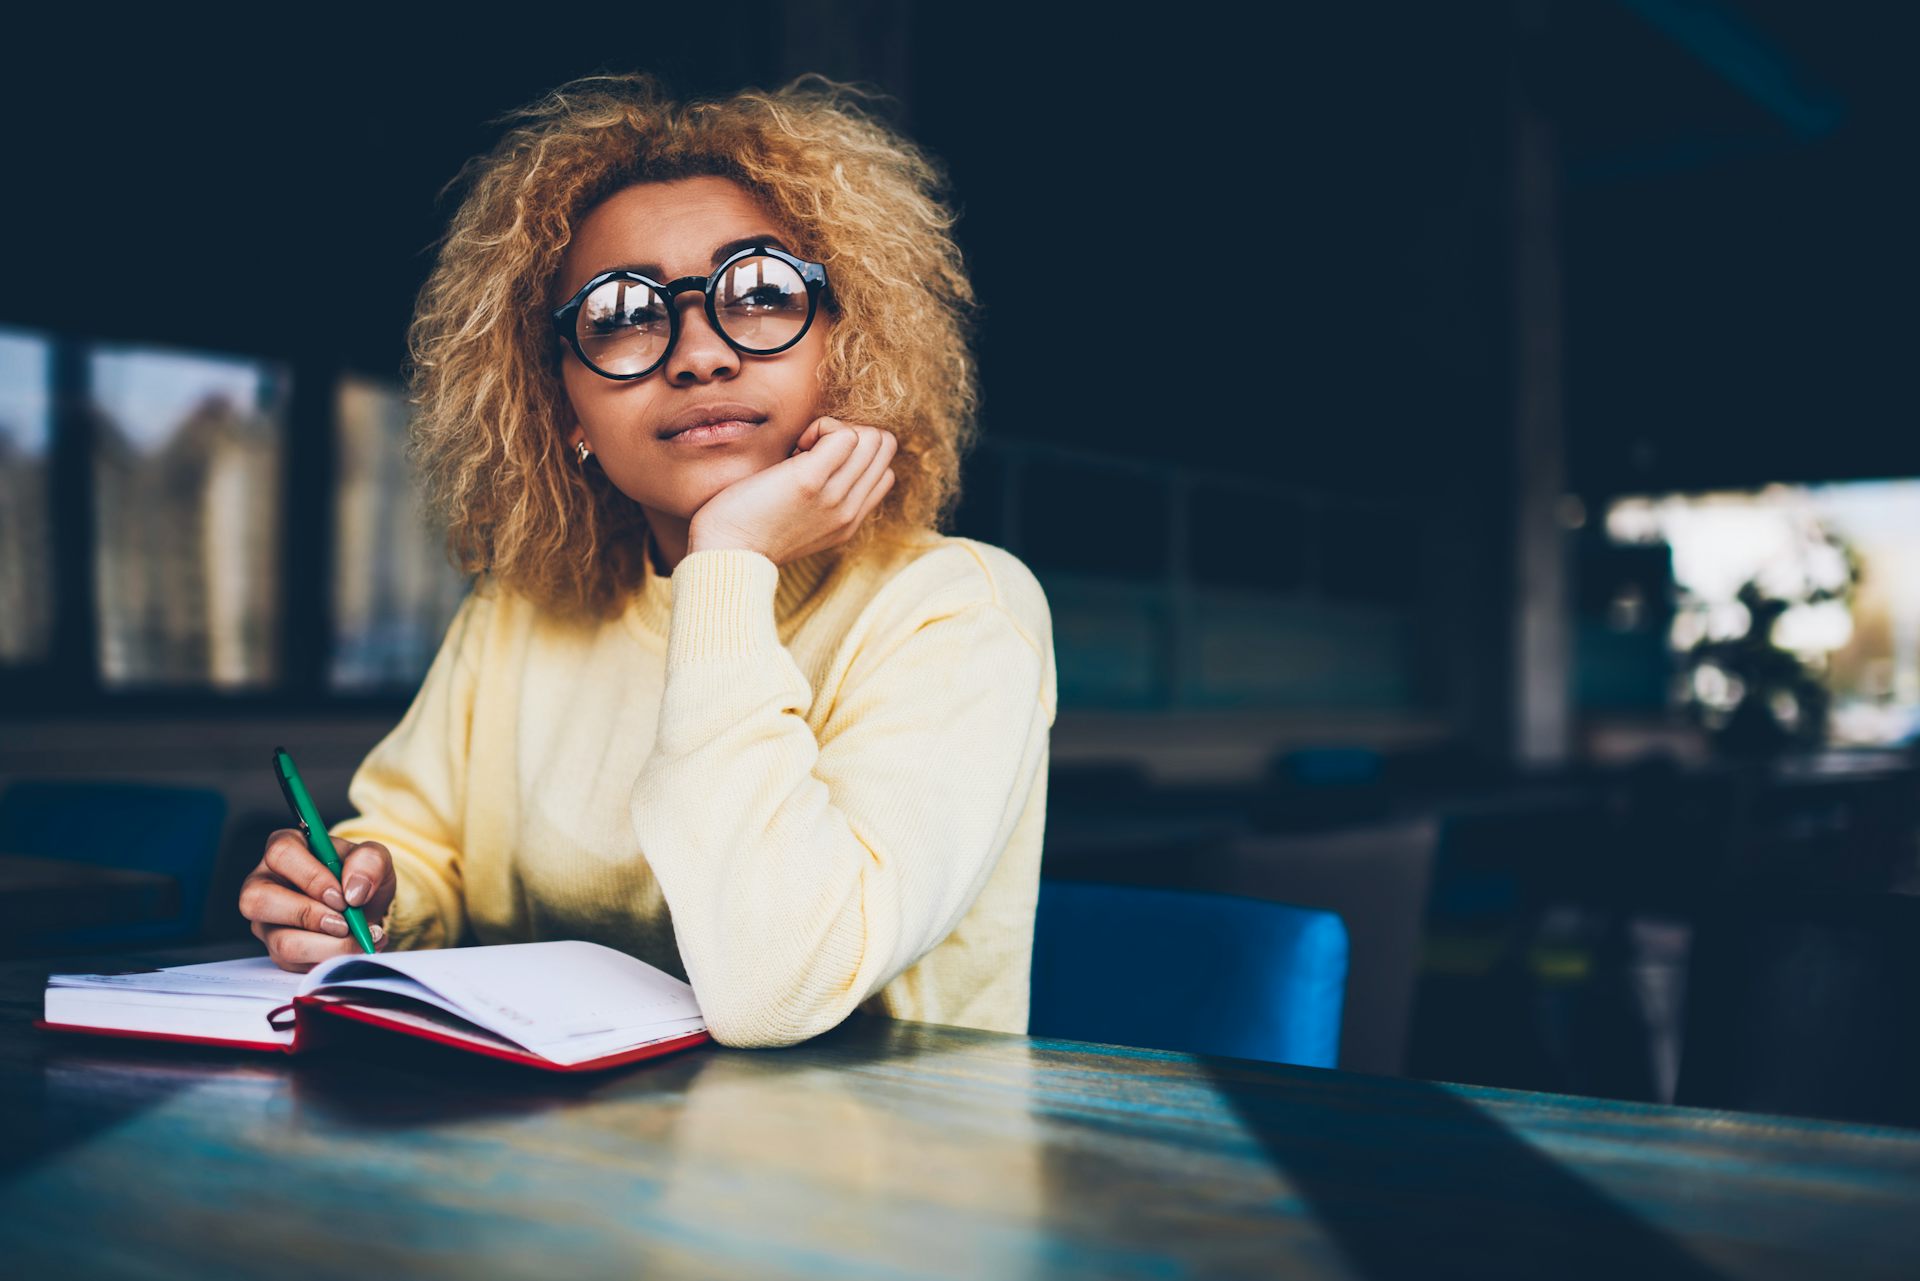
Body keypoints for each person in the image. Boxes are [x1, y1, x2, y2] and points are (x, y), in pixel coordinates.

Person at [235, 72, 1056, 1049]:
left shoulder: (957, 607)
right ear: (564, 405)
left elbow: (778, 983)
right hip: (543, 1131)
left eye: (761, 292)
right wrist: (365, 895)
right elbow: (421, 847)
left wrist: (731, 558)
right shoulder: (518, 610)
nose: (698, 354)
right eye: (621, 315)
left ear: (849, 343)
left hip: (862, 1144)